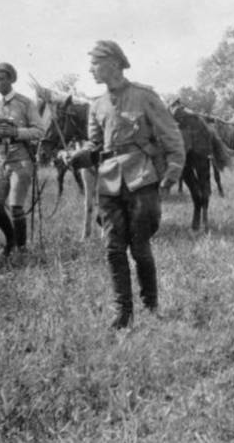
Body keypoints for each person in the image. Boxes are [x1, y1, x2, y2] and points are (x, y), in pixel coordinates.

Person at [69, 40, 185, 329]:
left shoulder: (144, 96)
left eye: (95, 63)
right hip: (109, 183)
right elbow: (96, 145)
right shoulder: (97, 105)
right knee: (113, 248)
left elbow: (171, 135)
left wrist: (172, 172)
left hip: (141, 178)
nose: (90, 69)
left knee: (140, 246)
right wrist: (77, 156)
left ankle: (150, 306)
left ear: (113, 64)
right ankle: (123, 312)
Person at [0, 62, 44, 257]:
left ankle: (21, 249)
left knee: (16, 207)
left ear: (11, 79)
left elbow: (40, 131)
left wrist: (16, 132)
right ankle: (11, 240)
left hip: (21, 158)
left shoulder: (25, 103)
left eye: (1, 79)